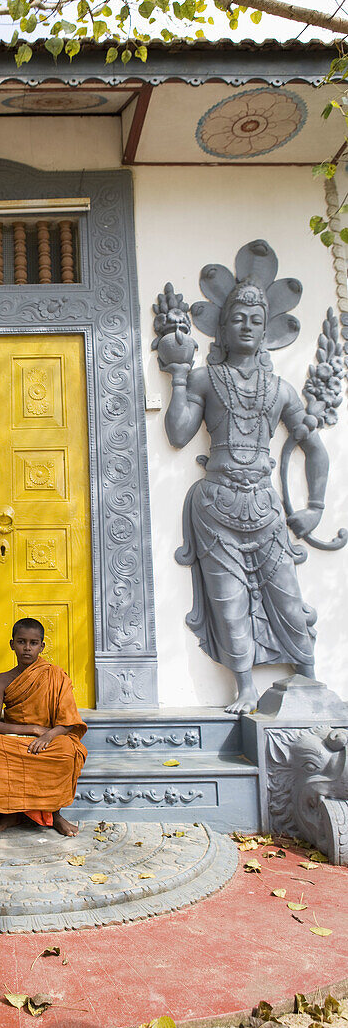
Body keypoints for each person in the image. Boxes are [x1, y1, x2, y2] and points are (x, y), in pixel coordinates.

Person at [158, 275, 328, 713]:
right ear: (223, 328)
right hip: (215, 503)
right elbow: (178, 433)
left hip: (265, 506)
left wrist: (316, 507)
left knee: (287, 597)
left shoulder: (281, 390)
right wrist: (178, 374)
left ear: (267, 328)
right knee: (228, 600)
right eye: (237, 319)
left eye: (256, 319)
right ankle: (246, 688)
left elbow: (315, 449)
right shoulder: (205, 378)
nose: (247, 327)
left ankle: (309, 675)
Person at [0, 618, 87, 837]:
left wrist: (47, 736)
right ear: (12, 644)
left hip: (50, 736)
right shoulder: (3, 679)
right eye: (21, 642)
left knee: (66, 750)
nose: (27, 648)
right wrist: (33, 730)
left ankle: (54, 814)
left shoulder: (55, 675)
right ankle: (10, 813)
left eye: (33, 643)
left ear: (42, 646)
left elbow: (66, 722)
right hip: (14, 736)